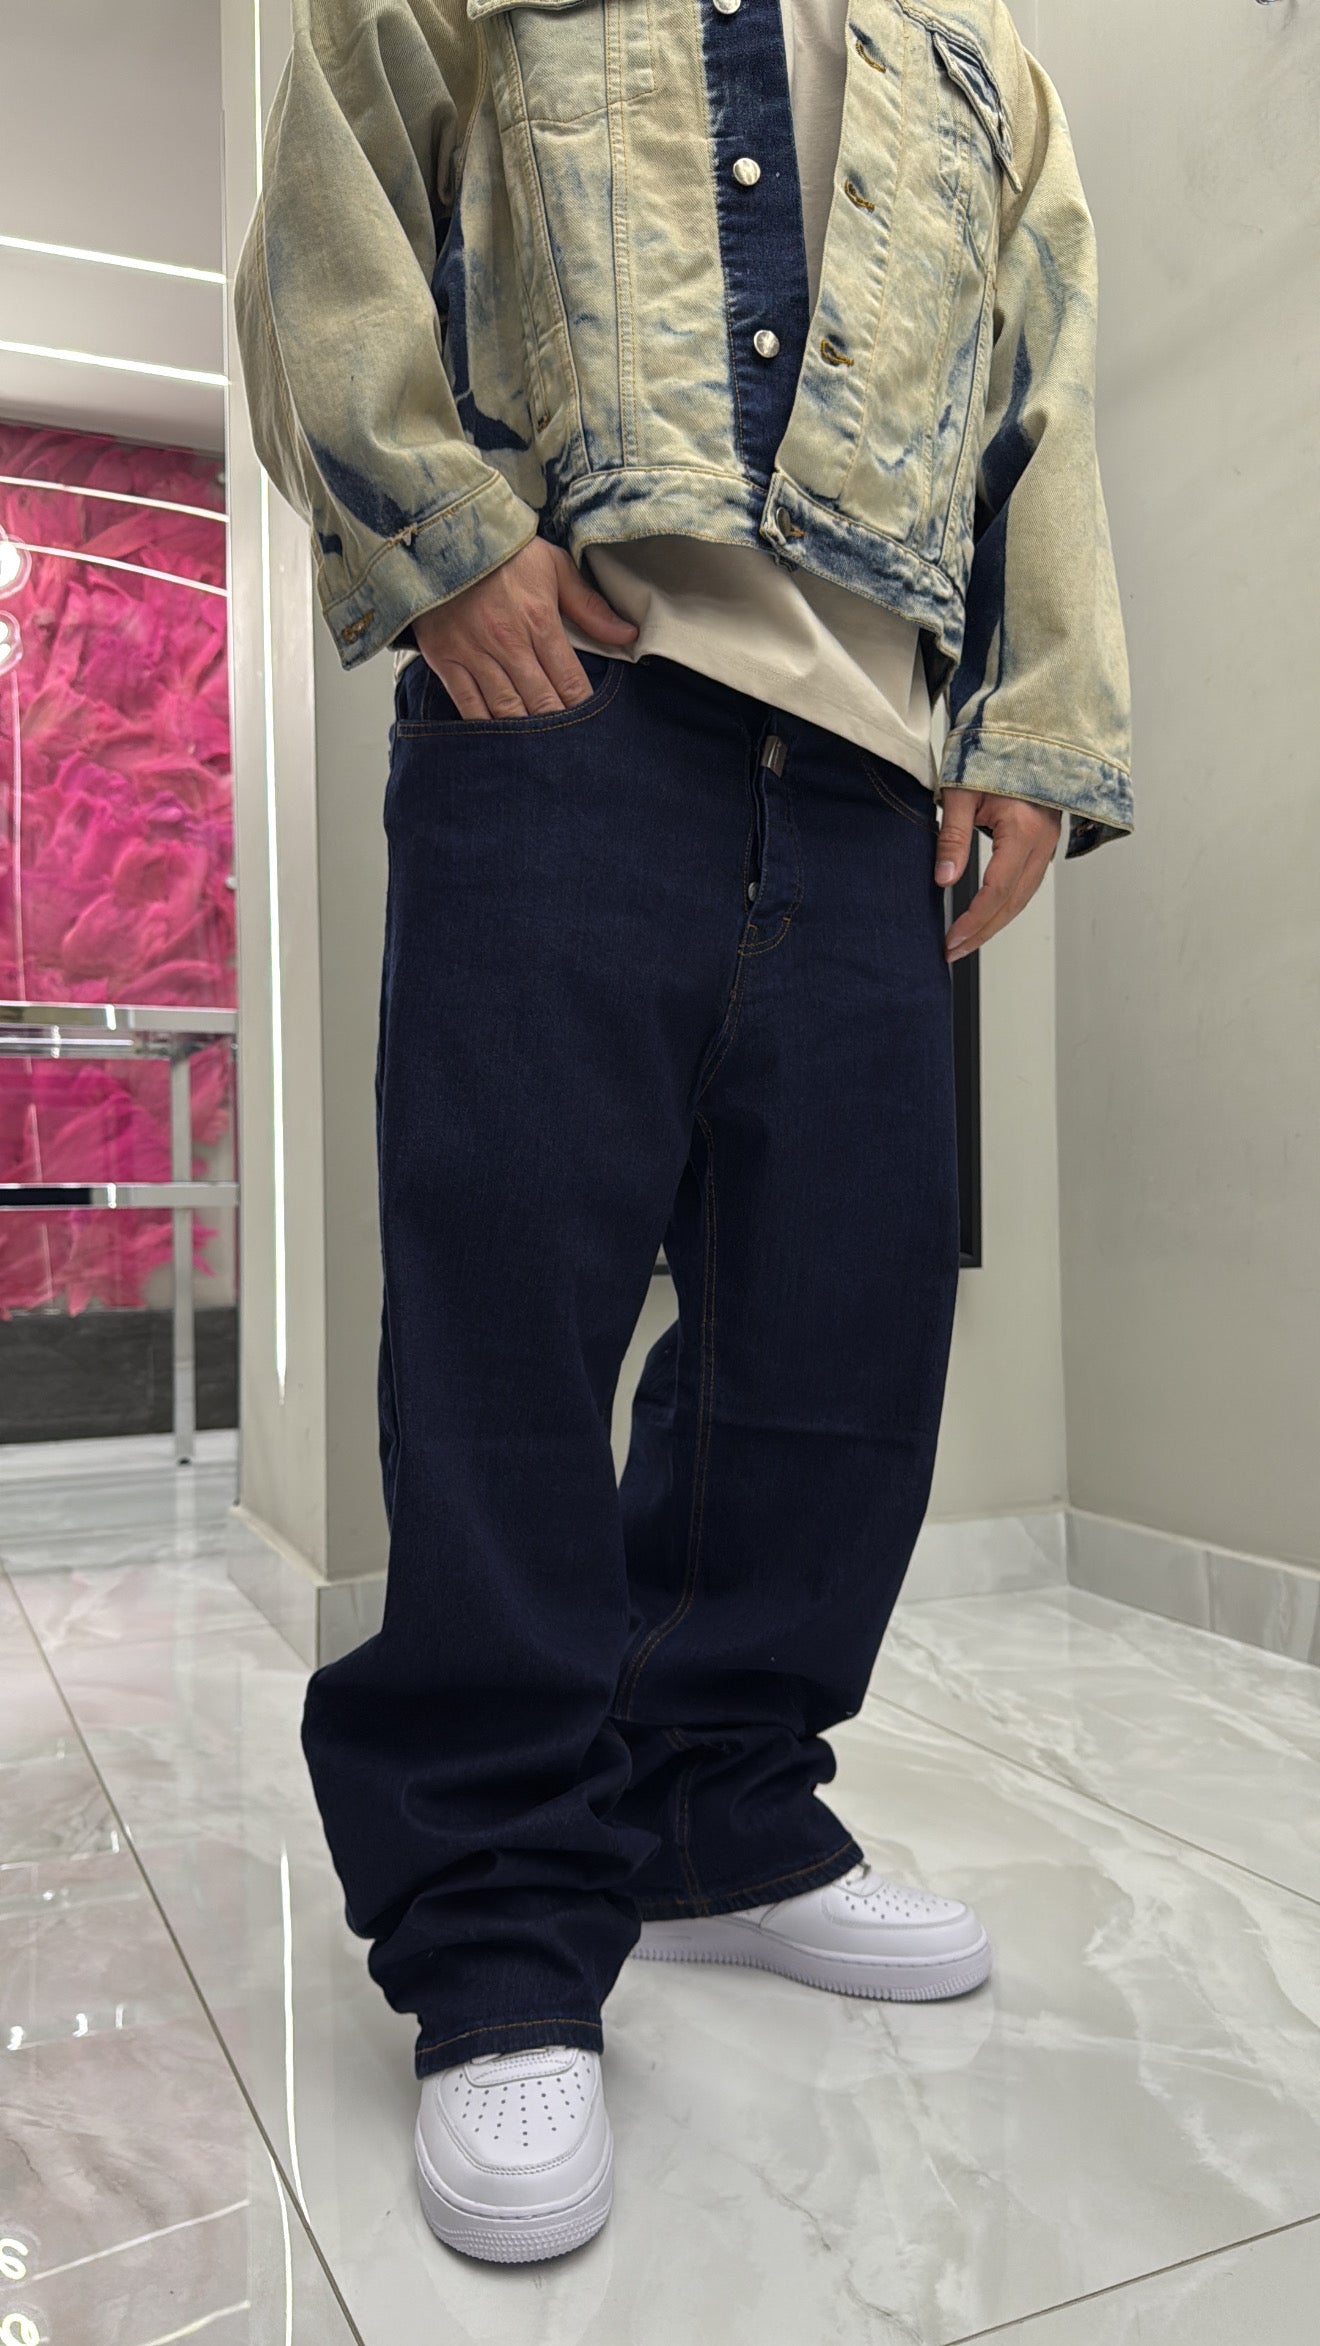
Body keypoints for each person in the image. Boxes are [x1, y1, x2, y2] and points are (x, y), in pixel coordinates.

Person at [235, 0, 1131, 2266]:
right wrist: (444, 538)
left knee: (835, 1345)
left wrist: (1038, 723)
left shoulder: (987, 59)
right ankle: (502, 1925)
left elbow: (1044, 389)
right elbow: (334, 206)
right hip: (573, 714)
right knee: (507, 1337)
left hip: (872, 785)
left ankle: (720, 1816)